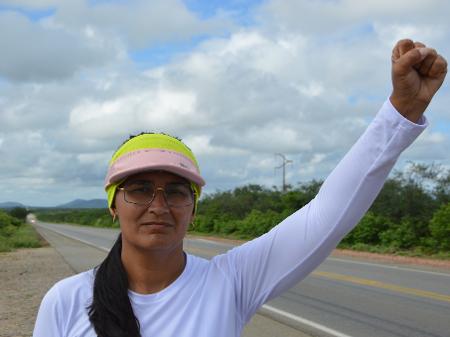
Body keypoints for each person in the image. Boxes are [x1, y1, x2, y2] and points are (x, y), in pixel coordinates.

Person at [33, 39, 447, 337]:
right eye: (140, 189)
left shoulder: (228, 283)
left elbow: (327, 215)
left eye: (176, 191)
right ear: (113, 205)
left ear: (193, 208)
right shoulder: (67, 300)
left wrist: (402, 111)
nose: (158, 204)